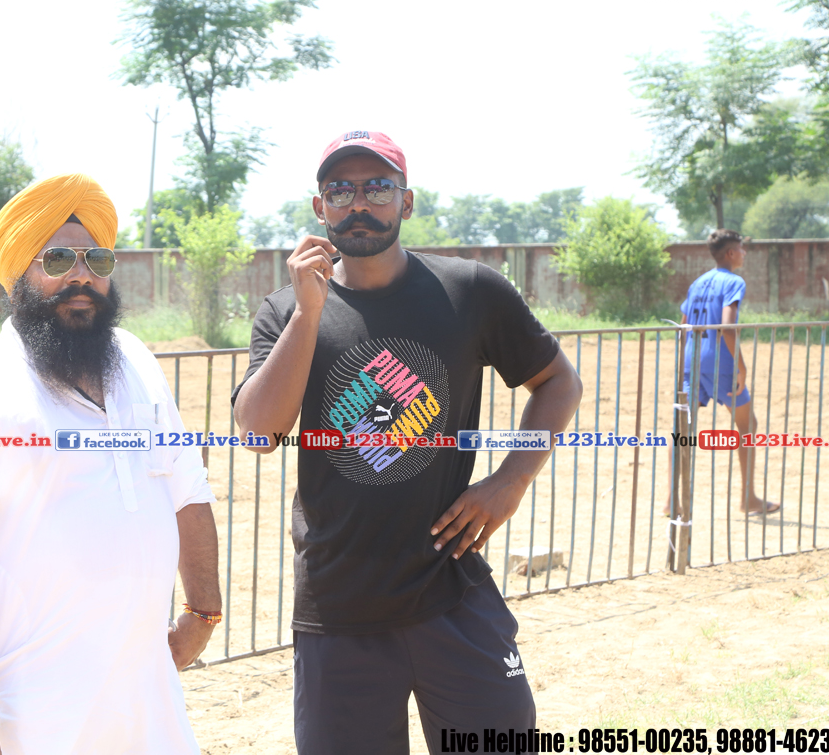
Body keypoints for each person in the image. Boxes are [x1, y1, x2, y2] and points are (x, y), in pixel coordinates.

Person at [232, 131, 583, 755]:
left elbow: (559, 382)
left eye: (377, 188)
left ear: (407, 201)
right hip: (338, 607)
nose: (359, 204)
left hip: (451, 591)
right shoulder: (285, 311)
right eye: (340, 191)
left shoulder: (470, 290)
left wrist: (511, 480)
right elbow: (258, 433)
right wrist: (309, 313)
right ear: (319, 207)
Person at [0, 173, 221, 754]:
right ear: (18, 274)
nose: (81, 276)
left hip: (146, 691)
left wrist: (203, 612)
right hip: (35, 703)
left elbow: (187, 488)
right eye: (57, 259)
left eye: (97, 259)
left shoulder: (138, 362)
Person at [674, 228, 780, 516]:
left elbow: (683, 325)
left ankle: (672, 501)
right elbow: (727, 327)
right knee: (747, 425)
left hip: (692, 360)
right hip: (720, 362)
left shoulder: (697, 282)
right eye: (742, 249)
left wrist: (685, 364)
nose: (744, 253)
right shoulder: (734, 281)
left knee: (683, 429)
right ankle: (748, 499)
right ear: (731, 253)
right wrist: (741, 367)